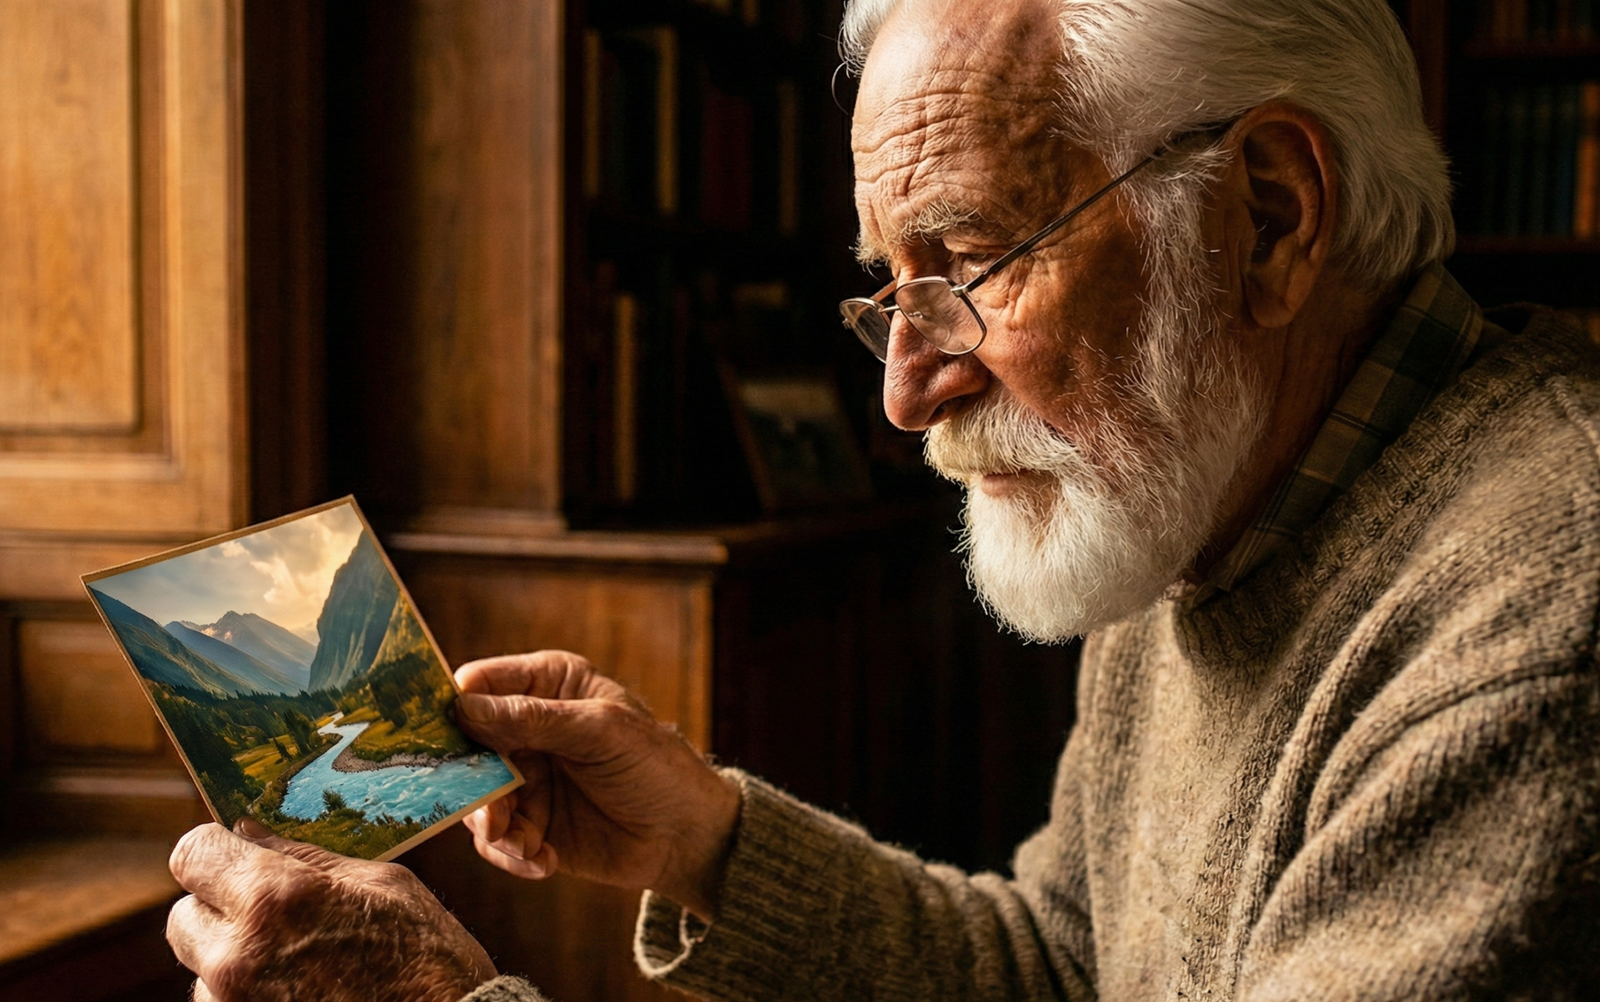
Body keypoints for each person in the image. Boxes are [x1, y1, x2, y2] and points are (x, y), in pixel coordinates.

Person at [164, 0, 1600, 998]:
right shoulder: (1208, 476)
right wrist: (709, 841)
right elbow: (1067, 968)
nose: (906, 393)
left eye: (968, 264)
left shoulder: (1539, 641)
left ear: (1269, 217)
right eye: (889, 288)